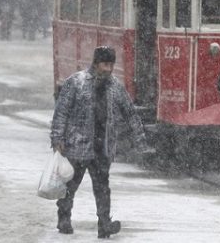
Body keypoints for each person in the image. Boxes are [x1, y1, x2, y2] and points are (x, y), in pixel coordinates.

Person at [50, 46, 148, 238]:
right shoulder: (75, 83)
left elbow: (130, 113)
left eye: (111, 64)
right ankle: (64, 218)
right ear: (95, 64)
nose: (109, 69)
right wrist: (57, 138)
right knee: (70, 185)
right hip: (77, 145)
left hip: (102, 147)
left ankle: (104, 224)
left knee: (103, 187)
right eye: (105, 64)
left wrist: (140, 140)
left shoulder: (115, 86)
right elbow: (61, 112)